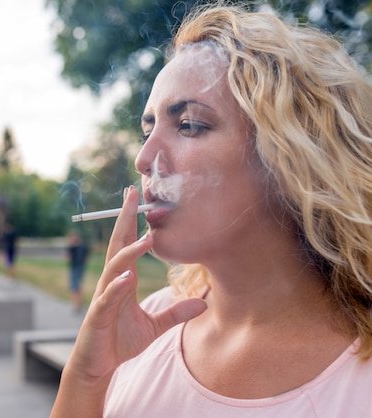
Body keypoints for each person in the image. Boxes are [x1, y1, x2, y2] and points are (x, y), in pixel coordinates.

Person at [50, 4, 372, 417]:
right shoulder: (144, 328)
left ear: (288, 157)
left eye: (188, 125)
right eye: (147, 130)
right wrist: (86, 377)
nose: (145, 158)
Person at [66, 229, 89, 313]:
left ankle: (77, 304)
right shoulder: (83, 247)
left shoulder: (72, 248)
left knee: (75, 287)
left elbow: (68, 258)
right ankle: (79, 303)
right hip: (81, 268)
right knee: (78, 287)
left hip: (75, 268)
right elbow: (86, 258)